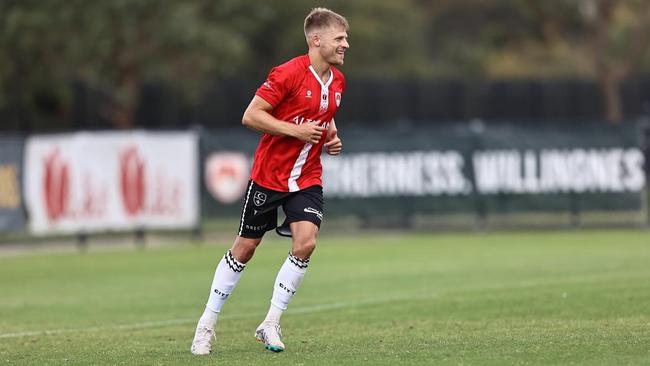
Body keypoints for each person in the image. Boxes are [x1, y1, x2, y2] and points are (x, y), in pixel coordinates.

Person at [190, 7, 349, 355]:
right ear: (316, 39)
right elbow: (251, 116)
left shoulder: (338, 80)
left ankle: (271, 323)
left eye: (345, 38)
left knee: (306, 243)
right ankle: (205, 325)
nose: (345, 45)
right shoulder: (288, 73)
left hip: (307, 178)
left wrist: (331, 138)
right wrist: (296, 130)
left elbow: (325, 119)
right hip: (269, 177)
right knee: (245, 249)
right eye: (339, 38)